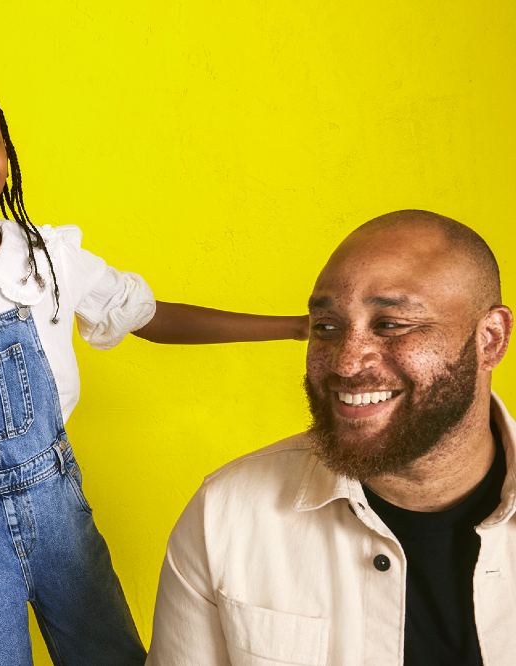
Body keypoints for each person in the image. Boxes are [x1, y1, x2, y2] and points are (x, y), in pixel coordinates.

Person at [0, 80, 307, 665]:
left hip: (58, 514)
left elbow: (149, 317)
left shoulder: (49, 260)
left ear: (6, 156)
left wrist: (293, 326)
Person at [147, 210, 515, 665]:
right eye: (326, 328)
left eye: (391, 325)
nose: (346, 362)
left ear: (491, 339)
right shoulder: (226, 515)